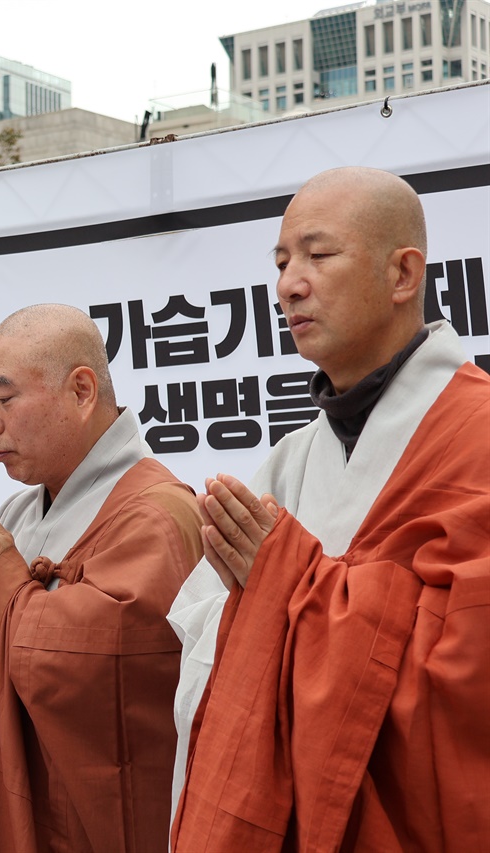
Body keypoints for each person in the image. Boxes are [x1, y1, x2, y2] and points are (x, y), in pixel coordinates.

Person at [169, 167, 490, 850]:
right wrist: (267, 600)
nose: (289, 283)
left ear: (403, 274)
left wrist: (291, 591)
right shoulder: (287, 463)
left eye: (319, 255)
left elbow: (469, 675)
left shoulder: (478, 434)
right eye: (282, 261)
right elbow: (202, 633)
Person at [0, 304, 203, 852]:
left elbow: (111, 676)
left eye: (6, 397)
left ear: (82, 390)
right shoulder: (17, 514)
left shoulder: (157, 513)